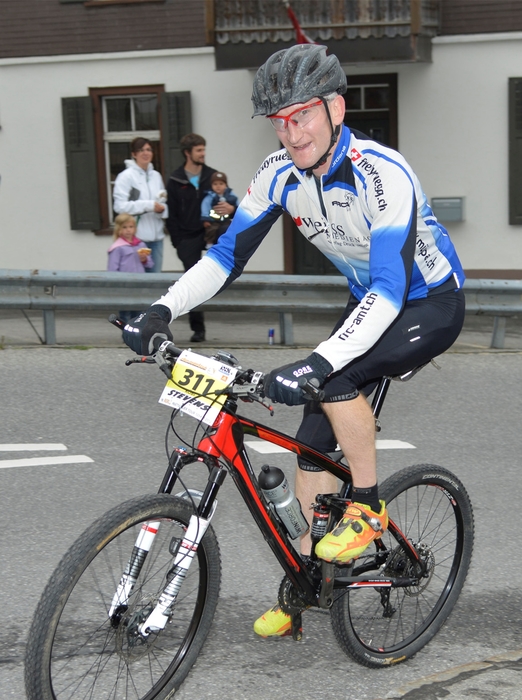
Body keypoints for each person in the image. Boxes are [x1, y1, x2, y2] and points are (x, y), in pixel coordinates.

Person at [122, 44, 466, 638]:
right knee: (309, 452)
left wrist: (319, 361)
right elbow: (225, 257)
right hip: (368, 302)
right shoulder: (277, 176)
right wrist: (160, 309)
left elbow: (389, 287)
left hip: (424, 301)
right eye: (279, 120)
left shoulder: (381, 173)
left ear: (335, 107)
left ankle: (368, 505)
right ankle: (314, 580)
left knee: (334, 380)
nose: (291, 131)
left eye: (302, 114)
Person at [166, 134, 235, 342]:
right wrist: (177, 242)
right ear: (188, 153)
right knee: (192, 280)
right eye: (198, 150)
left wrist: (233, 209)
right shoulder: (175, 180)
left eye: (204, 149)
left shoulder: (213, 176)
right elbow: (172, 214)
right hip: (187, 237)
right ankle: (198, 329)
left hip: (212, 233)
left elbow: (229, 200)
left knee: (215, 275)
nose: (203, 154)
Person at [113, 137, 168, 273]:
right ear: (133, 154)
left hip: (157, 239)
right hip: (136, 240)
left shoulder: (156, 176)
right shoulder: (125, 177)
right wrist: (149, 205)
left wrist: (162, 210)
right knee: (138, 282)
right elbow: (119, 206)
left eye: (149, 149)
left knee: (155, 283)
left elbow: (163, 202)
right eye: (141, 150)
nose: (146, 153)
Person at [108, 213, 153, 324]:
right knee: (124, 312)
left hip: (139, 284)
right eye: (124, 227)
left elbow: (150, 264)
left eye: (131, 227)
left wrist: (144, 260)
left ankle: (136, 335)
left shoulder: (141, 244)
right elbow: (112, 269)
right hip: (124, 286)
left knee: (138, 313)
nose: (128, 230)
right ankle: (125, 334)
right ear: (119, 229)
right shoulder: (117, 247)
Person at [201, 171, 239, 247]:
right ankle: (209, 243)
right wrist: (206, 219)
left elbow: (237, 203)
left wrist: (235, 209)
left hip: (226, 219)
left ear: (225, 185)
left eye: (221, 184)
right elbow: (205, 207)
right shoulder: (210, 197)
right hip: (214, 220)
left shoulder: (231, 195)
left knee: (232, 229)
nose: (218, 186)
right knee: (211, 230)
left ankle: (232, 244)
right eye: (215, 184)